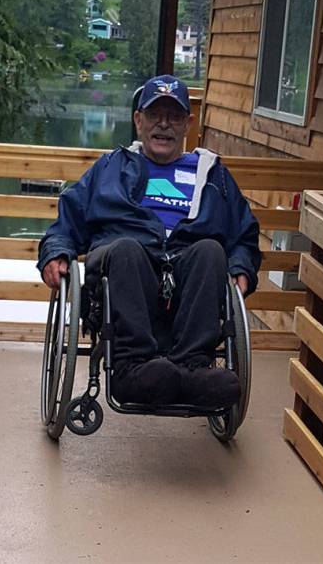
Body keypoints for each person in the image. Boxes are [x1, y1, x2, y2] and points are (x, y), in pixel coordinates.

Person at [37, 75, 260, 408]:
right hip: (124, 267)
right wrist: (55, 253)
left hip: (188, 274)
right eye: (155, 115)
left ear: (187, 124)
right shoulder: (111, 167)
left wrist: (242, 266)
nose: (164, 125)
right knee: (127, 249)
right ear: (138, 120)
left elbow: (243, 234)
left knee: (212, 251)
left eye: (174, 116)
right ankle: (131, 369)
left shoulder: (213, 175)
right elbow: (67, 222)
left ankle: (192, 368)